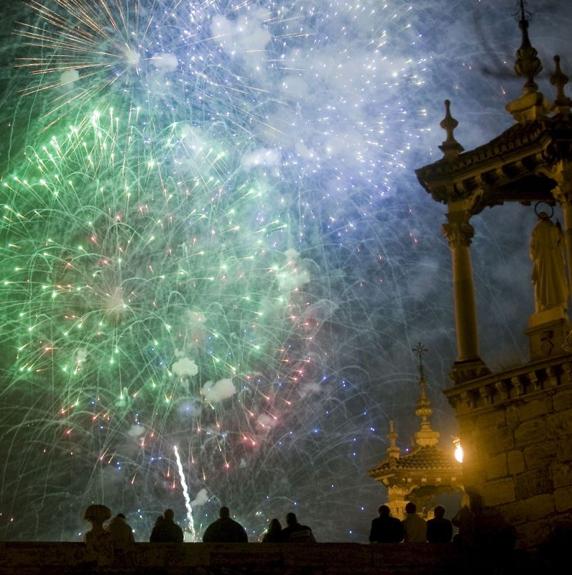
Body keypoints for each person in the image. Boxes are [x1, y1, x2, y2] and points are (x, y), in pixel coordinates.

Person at [530, 211, 568, 313]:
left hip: (542, 261)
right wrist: (559, 230)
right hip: (554, 260)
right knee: (556, 280)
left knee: (544, 282)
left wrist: (535, 257)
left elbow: (532, 250)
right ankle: (558, 303)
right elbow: (560, 242)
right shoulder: (553, 228)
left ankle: (546, 304)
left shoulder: (536, 230)